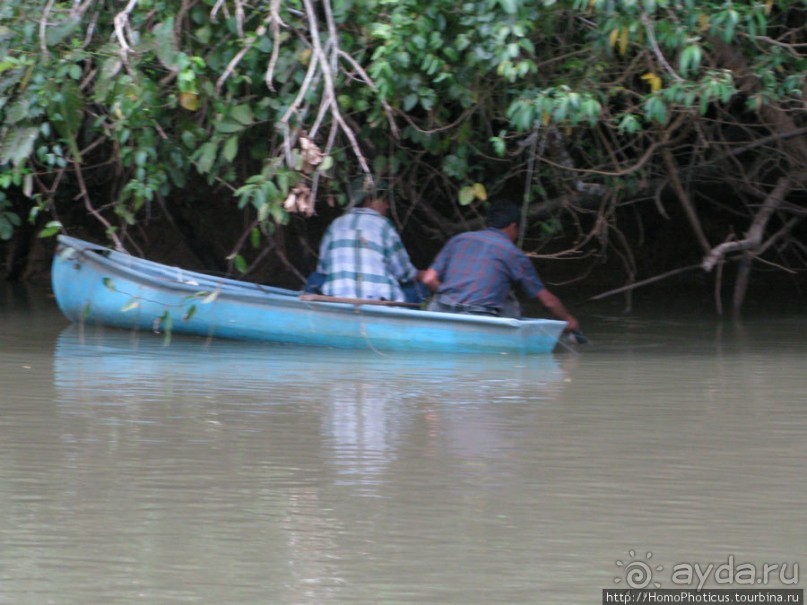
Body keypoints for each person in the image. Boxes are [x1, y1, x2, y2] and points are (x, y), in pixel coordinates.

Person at [420, 200, 580, 332]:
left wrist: (450, 297)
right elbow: (548, 301)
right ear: (512, 226)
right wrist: (568, 320)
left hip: (441, 313)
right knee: (509, 299)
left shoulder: (459, 239)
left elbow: (428, 278)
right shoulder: (513, 254)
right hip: (481, 320)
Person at [305, 176, 425, 303]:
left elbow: (322, 270)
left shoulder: (335, 226)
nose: (388, 206)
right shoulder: (384, 226)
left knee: (316, 278)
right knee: (421, 289)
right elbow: (404, 274)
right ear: (368, 199)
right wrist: (422, 275)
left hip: (338, 300)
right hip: (379, 303)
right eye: (384, 200)